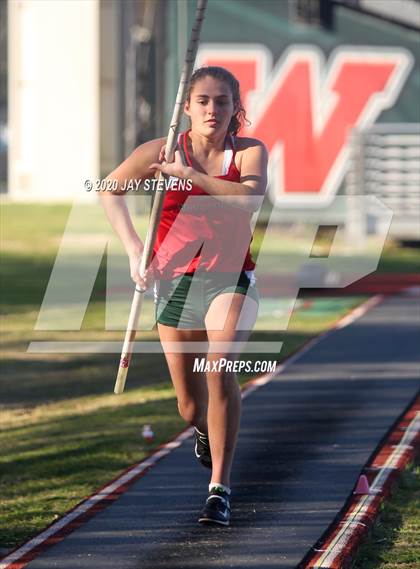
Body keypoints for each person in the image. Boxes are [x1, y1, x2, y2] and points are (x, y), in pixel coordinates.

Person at [100, 66, 268, 526]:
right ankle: (202, 428)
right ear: (187, 107)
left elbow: (248, 200)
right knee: (191, 405)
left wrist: (186, 177)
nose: (213, 109)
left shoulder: (248, 152)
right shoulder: (161, 150)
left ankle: (220, 488)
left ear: (236, 108)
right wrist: (137, 248)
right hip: (174, 281)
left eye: (223, 101)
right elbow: (110, 190)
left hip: (229, 278)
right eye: (204, 101)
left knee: (220, 367)